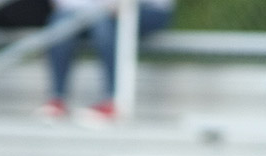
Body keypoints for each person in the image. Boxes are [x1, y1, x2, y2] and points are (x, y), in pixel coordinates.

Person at [38, 0, 173, 121]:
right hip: (93, 11)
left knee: (103, 23)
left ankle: (113, 100)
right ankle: (57, 98)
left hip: (146, 9)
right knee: (61, 21)